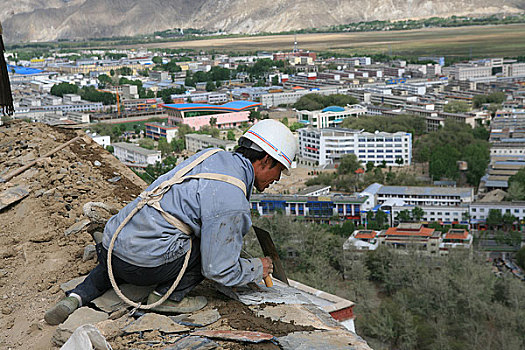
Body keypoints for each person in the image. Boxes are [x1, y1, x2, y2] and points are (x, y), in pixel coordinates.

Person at [44, 119, 297, 325]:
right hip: (142, 266)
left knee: (127, 244)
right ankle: (167, 299)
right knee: (205, 247)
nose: (277, 179)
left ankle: (77, 296)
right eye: (279, 170)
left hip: (112, 247)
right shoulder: (232, 198)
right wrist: (256, 267)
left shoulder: (212, 155)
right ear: (265, 160)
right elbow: (218, 269)